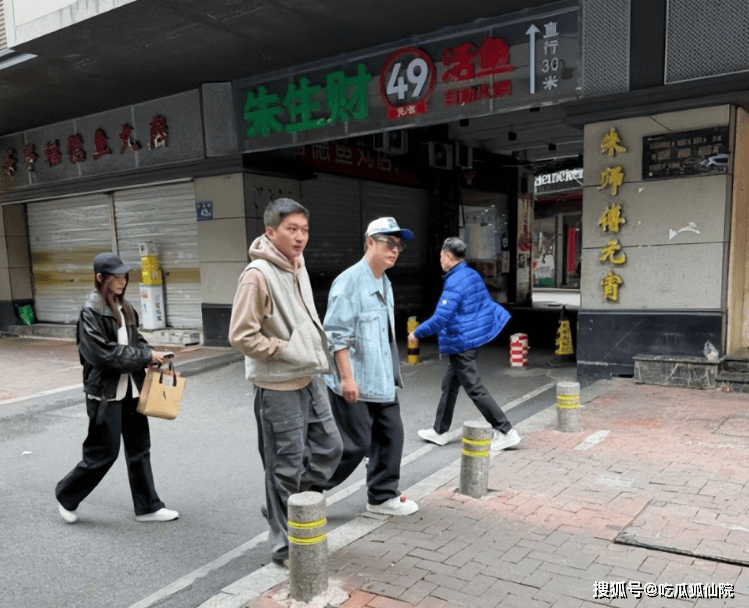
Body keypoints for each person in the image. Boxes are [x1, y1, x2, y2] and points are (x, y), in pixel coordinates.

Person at [228, 198, 342, 568]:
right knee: (284, 467)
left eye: (304, 230)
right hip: (277, 385)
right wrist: (286, 349)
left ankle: (282, 504)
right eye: (291, 229)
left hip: (308, 377)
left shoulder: (297, 265)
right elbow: (241, 335)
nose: (300, 237)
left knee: (330, 447)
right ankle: (282, 545)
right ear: (270, 231)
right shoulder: (257, 275)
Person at [55, 252, 178, 524]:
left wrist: (151, 353)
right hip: (104, 393)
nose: (122, 282)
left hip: (132, 388)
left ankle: (148, 507)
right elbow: (103, 355)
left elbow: (136, 340)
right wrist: (144, 356)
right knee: (103, 453)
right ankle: (66, 495)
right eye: (116, 277)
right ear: (100, 278)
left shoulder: (126, 308)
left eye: (124, 276)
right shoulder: (90, 311)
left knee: (140, 448)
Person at [318, 217, 418, 516]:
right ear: (370, 243)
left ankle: (381, 497)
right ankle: (300, 492)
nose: (395, 249)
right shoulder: (349, 281)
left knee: (391, 436)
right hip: (354, 381)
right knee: (354, 445)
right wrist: (347, 378)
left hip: (381, 379)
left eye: (398, 245)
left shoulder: (384, 281)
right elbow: (336, 335)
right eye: (388, 242)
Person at [408, 237, 521, 452]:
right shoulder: (471, 274)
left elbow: (441, 318)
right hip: (469, 337)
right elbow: (483, 305)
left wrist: (417, 332)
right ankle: (439, 431)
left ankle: (506, 430)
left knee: (474, 388)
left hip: (462, 341)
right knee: (450, 385)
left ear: (448, 256)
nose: (440, 261)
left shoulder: (455, 281)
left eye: (441, 257)